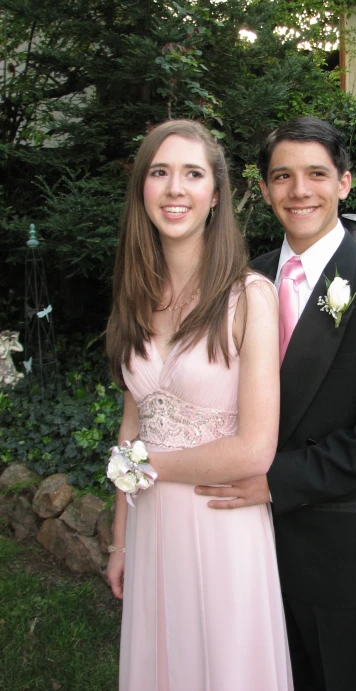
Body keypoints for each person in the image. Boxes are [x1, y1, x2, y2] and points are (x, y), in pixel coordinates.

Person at [195, 116, 356, 691]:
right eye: (283, 176)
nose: (299, 190)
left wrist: (278, 480)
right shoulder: (241, 283)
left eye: (316, 174)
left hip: (333, 545)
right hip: (241, 539)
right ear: (266, 188)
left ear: (344, 183)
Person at [105, 119, 293, 691]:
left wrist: (144, 467)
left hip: (220, 529)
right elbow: (135, 416)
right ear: (143, 190)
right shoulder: (135, 294)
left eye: (192, 173)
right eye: (159, 172)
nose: (175, 188)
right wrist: (120, 539)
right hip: (151, 526)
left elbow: (254, 450)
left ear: (216, 194)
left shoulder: (249, 297)